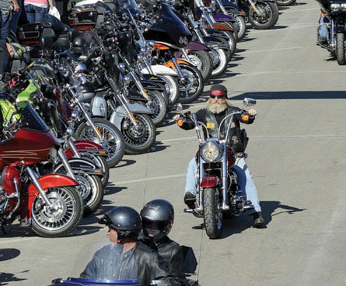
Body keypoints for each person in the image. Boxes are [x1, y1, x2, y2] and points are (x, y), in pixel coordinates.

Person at [180, 84, 266, 228]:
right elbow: (189, 122)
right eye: (213, 96)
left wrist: (249, 114)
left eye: (220, 96)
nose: (216, 99)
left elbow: (246, 117)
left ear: (225, 97)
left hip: (232, 153)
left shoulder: (233, 112)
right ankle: (190, 194)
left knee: (244, 174)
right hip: (210, 153)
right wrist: (181, 119)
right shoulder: (203, 113)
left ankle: (256, 212)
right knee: (192, 165)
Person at [80, 206, 168, 285]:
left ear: (122, 232)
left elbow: (168, 281)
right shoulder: (103, 253)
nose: (108, 233)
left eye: (110, 229)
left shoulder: (147, 257)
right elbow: (86, 277)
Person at [139, 199, 195, 285]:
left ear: (168, 225)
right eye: (147, 223)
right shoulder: (136, 242)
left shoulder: (173, 251)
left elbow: (177, 281)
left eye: (157, 225)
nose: (151, 228)